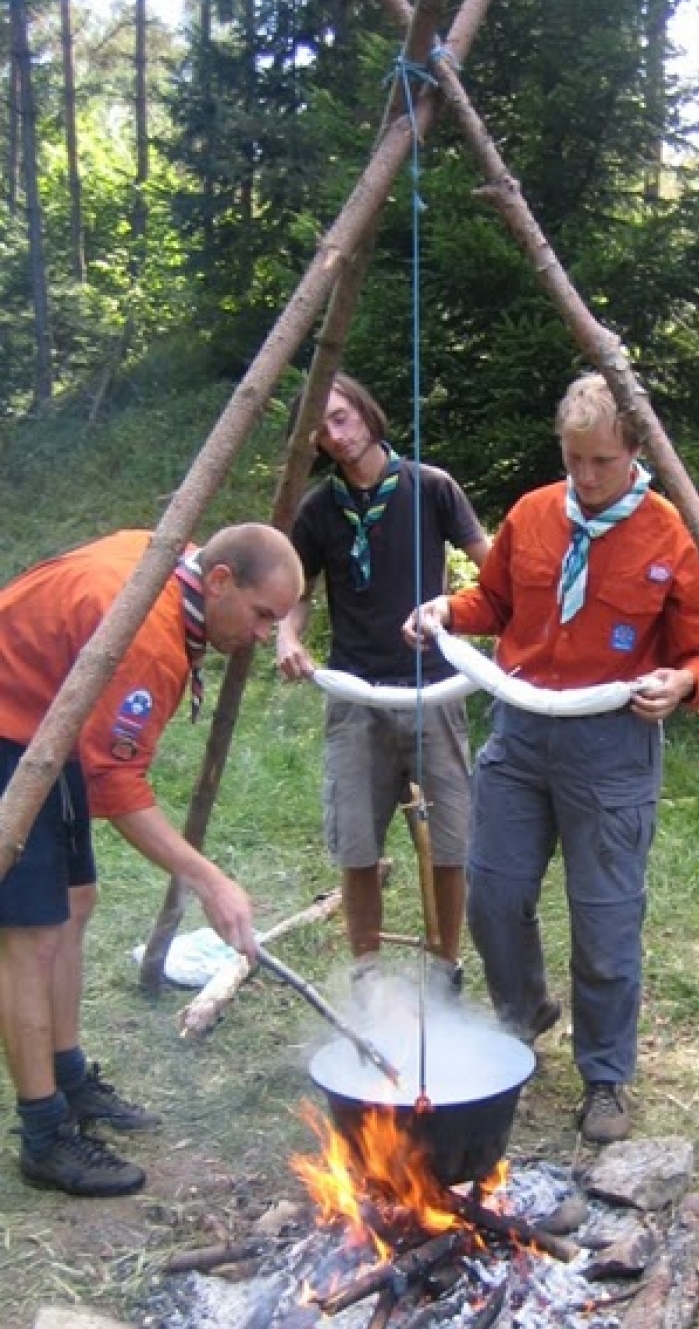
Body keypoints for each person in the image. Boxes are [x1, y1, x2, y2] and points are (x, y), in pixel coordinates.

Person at [405, 372, 699, 1143]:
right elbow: (492, 603)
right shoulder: (532, 515)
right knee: (491, 892)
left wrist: (681, 683)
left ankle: (607, 1078)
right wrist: (446, 608)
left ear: (634, 453)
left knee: (606, 919)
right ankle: (523, 1016)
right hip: (519, 735)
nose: (584, 478)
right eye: (573, 458)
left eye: (601, 462)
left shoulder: (668, 535)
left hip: (611, 745)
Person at [0, 523, 305, 1198]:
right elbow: (118, 788)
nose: (264, 635)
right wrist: (210, 879)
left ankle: (69, 1078)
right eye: (262, 615)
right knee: (31, 936)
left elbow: (106, 764)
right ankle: (45, 1136)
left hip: (48, 724)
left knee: (76, 904)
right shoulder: (147, 636)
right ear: (220, 581)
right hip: (7, 730)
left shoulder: (171, 559)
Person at [276, 374, 489, 989]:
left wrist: (490, 617)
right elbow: (297, 595)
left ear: (368, 412)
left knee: (451, 840)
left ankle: (446, 966)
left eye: (341, 417)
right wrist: (288, 637)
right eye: (320, 428)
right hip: (355, 696)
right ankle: (367, 976)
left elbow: (490, 569)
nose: (334, 435)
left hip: (435, 690)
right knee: (357, 844)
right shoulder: (318, 508)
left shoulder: (432, 487)